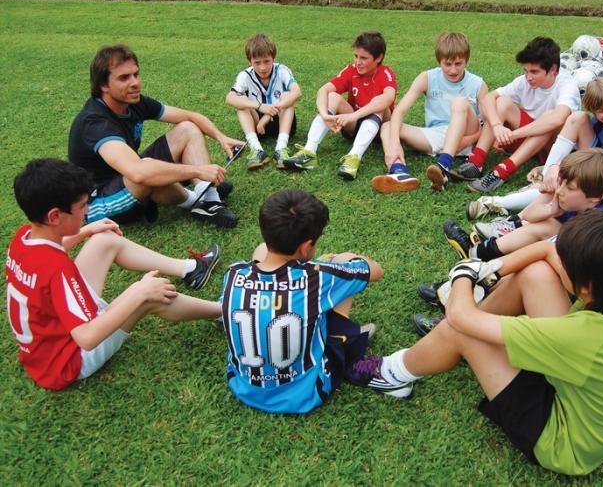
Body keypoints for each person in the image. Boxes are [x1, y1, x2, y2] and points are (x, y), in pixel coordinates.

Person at [351, 211, 603, 476]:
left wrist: (463, 275)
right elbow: (545, 251)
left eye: (566, 262)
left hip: (560, 441)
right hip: (577, 384)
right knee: (536, 274)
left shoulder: (581, 336)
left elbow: (460, 318)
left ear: (586, 287)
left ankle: (391, 374)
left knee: (462, 330)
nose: (559, 260)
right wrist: (489, 270)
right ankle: (457, 344)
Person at [5, 159, 223, 391]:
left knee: (104, 240)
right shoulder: (57, 269)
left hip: (47, 344)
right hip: (70, 359)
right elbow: (87, 338)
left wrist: (85, 231)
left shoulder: (24, 237)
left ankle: (189, 269)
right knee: (150, 296)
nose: (88, 211)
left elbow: (50, 258)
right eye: (82, 206)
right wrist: (138, 293)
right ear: (55, 216)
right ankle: (224, 311)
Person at [220, 189, 384, 414]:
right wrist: (341, 260)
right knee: (344, 267)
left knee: (261, 254)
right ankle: (348, 347)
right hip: (307, 393)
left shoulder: (233, 273)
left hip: (243, 386)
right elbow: (376, 271)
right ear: (306, 247)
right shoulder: (319, 276)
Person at [68, 44, 244, 228]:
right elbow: (138, 172)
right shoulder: (95, 123)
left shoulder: (133, 102)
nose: (135, 82)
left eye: (136, 74)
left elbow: (190, 116)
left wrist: (221, 138)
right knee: (148, 170)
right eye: (124, 78)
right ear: (103, 85)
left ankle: (209, 197)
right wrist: (198, 170)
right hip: (98, 202)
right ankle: (196, 201)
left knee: (187, 128)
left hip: (127, 175)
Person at [469, 78, 603, 219]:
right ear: (593, 111)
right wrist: (550, 167)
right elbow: (584, 152)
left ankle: (499, 202)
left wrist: (560, 167)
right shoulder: (598, 122)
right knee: (578, 118)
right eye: (601, 111)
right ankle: (546, 175)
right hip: (591, 162)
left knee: (560, 185)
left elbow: (602, 164)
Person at [445, 148, 603, 261]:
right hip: (572, 265)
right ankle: (478, 253)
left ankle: (484, 262)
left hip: (592, 287)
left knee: (543, 239)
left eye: (569, 187)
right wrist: (551, 209)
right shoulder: (578, 200)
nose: (559, 190)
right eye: (561, 182)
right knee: (545, 224)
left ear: (597, 196)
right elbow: (527, 216)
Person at [456, 37, 580, 193]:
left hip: (553, 149)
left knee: (549, 117)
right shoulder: (524, 81)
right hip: (528, 142)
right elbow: (488, 98)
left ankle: (501, 172)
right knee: (501, 102)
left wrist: (513, 134)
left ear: (553, 69)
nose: (528, 77)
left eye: (534, 72)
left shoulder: (567, 85)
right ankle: (476, 162)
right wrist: (497, 126)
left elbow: (558, 119)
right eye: (526, 71)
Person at [371, 32, 488, 193]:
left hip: (466, 135)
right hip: (436, 134)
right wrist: (394, 144)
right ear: (439, 60)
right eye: (447, 64)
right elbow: (399, 111)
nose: (453, 70)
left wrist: (470, 139)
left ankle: (444, 164)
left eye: (458, 63)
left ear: (466, 60)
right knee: (387, 126)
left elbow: (488, 125)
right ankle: (399, 172)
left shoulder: (478, 84)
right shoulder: (427, 78)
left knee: (460, 102)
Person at [284, 31, 397, 181]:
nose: (358, 62)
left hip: (380, 130)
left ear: (379, 58)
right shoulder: (351, 70)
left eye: (364, 58)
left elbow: (388, 97)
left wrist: (353, 115)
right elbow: (323, 90)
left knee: (380, 104)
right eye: (356, 56)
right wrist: (325, 115)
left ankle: (354, 157)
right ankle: (309, 152)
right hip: (353, 126)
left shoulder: (385, 73)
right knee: (332, 96)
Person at [225, 34, 302, 170]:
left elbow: (297, 92)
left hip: (282, 121)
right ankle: (256, 149)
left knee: (287, 96)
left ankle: (281, 149)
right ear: (249, 61)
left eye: (267, 61)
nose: (262, 67)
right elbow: (229, 98)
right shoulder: (245, 75)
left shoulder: (282, 70)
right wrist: (260, 106)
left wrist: (269, 114)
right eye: (257, 62)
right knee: (241, 102)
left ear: (274, 58)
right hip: (257, 125)